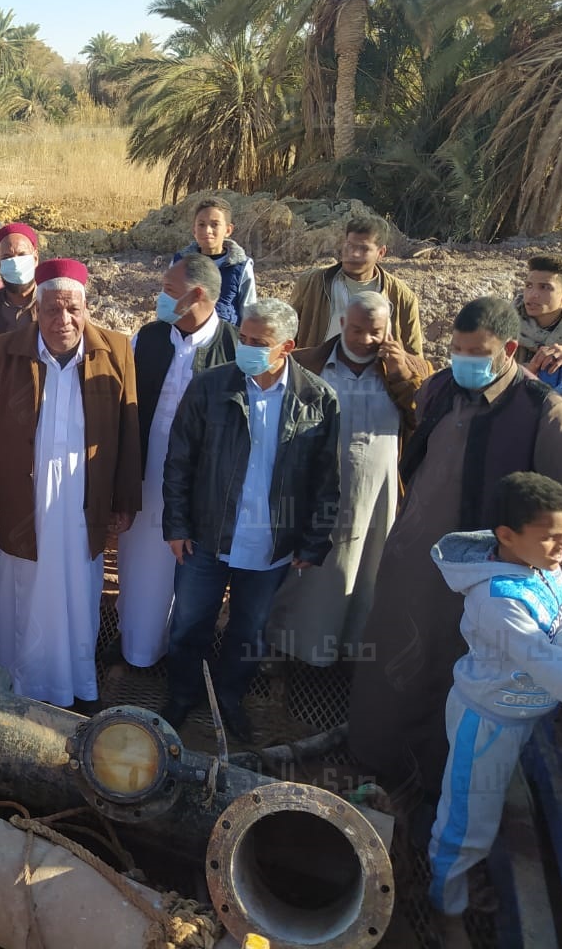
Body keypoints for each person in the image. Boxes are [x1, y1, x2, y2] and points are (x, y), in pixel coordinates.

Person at [348, 297, 562, 808]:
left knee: (454, 684)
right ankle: (375, 764)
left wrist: (535, 597)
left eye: (474, 352)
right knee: (391, 666)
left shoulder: (546, 415)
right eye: (455, 350)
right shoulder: (439, 389)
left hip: (485, 588)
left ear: (507, 349)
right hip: (412, 564)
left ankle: (435, 794)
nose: (462, 360)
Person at [0, 258, 141, 709]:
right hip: (20, 495)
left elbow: (128, 429)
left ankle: (74, 687)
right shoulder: (2, 351)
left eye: (73, 310)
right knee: (20, 586)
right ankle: (19, 684)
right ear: (36, 310)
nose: (63, 320)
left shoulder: (116, 351)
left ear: (86, 309)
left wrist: (125, 499)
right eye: (53, 310)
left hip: (84, 497)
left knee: (79, 589)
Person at [162, 297, 341, 742]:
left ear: (287, 347)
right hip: (207, 535)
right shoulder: (211, 387)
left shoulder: (316, 399)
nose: (246, 348)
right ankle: (182, 695)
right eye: (242, 338)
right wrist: (178, 525)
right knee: (188, 624)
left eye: (258, 342)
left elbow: (326, 479)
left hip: (271, 545)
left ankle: (228, 699)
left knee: (247, 630)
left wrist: (313, 541)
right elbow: (179, 460)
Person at [427, 473, 562, 940]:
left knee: (483, 811)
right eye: (552, 537)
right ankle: (446, 910)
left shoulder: (543, 567)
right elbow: (552, 671)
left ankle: (457, 887)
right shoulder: (497, 600)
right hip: (488, 725)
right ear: (507, 537)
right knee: (465, 824)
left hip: (526, 715)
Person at [266, 292, 430, 666]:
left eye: (375, 332)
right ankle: (288, 653)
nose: (365, 339)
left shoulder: (412, 368)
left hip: (378, 498)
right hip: (313, 494)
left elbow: (425, 422)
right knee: (306, 576)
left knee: (366, 572)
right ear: (342, 323)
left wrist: (403, 373)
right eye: (357, 329)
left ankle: (352, 652)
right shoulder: (306, 363)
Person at [117, 253, 237, 668]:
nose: (161, 299)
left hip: (202, 482)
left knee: (188, 569)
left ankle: (182, 664)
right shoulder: (149, 338)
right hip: (148, 472)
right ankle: (138, 653)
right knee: (142, 568)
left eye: (169, 291)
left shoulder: (234, 349)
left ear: (197, 295)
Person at [289, 215, 423, 355]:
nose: (354, 254)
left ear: (381, 253)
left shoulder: (402, 297)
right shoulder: (312, 283)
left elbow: (415, 358)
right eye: (349, 246)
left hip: (374, 376)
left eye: (363, 249)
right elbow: (287, 336)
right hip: (317, 374)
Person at [515, 255, 562, 421]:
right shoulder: (504, 322)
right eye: (529, 286)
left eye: (545, 287)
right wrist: (520, 372)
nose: (533, 294)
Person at [168, 196, 256, 324]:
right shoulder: (180, 263)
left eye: (215, 225)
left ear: (228, 230)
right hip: (184, 338)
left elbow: (248, 310)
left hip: (224, 340)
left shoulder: (241, 267)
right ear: (194, 230)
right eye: (201, 225)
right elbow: (169, 303)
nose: (207, 231)